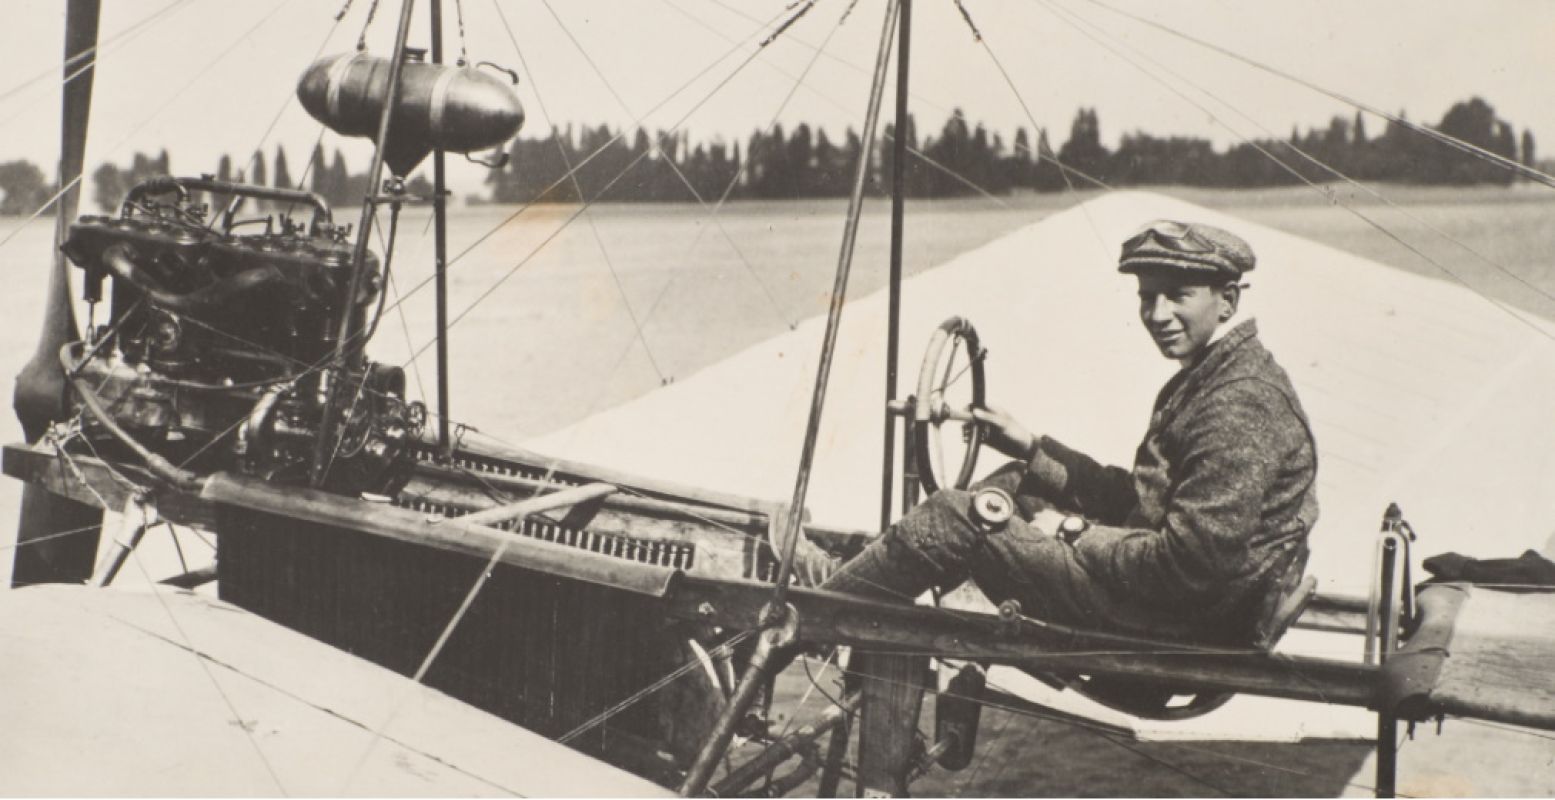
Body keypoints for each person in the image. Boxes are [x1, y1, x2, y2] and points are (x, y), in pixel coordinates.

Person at [817, 220, 1319, 646]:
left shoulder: (1239, 403)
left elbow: (1186, 569)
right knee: (1017, 478)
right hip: (1179, 610)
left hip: (1169, 629)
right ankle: (865, 583)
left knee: (957, 515)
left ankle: (822, 612)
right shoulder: (1220, 374)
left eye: (1178, 296)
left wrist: (1072, 532)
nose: (1157, 315)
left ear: (1227, 301)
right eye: (1148, 297)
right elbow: (1149, 501)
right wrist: (1033, 449)